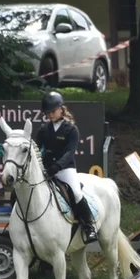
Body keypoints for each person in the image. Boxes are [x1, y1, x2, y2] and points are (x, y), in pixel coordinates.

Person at [36, 91, 96, 243]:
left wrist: (57, 167)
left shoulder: (71, 129)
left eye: (53, 111)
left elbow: (69, 153)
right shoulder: (44, 129)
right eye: (47, 113)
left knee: (76, 192)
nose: (50, 115)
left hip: (65, 169)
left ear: (61, 109)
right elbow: (37, 149)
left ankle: (90, 226)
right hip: (47, 167)